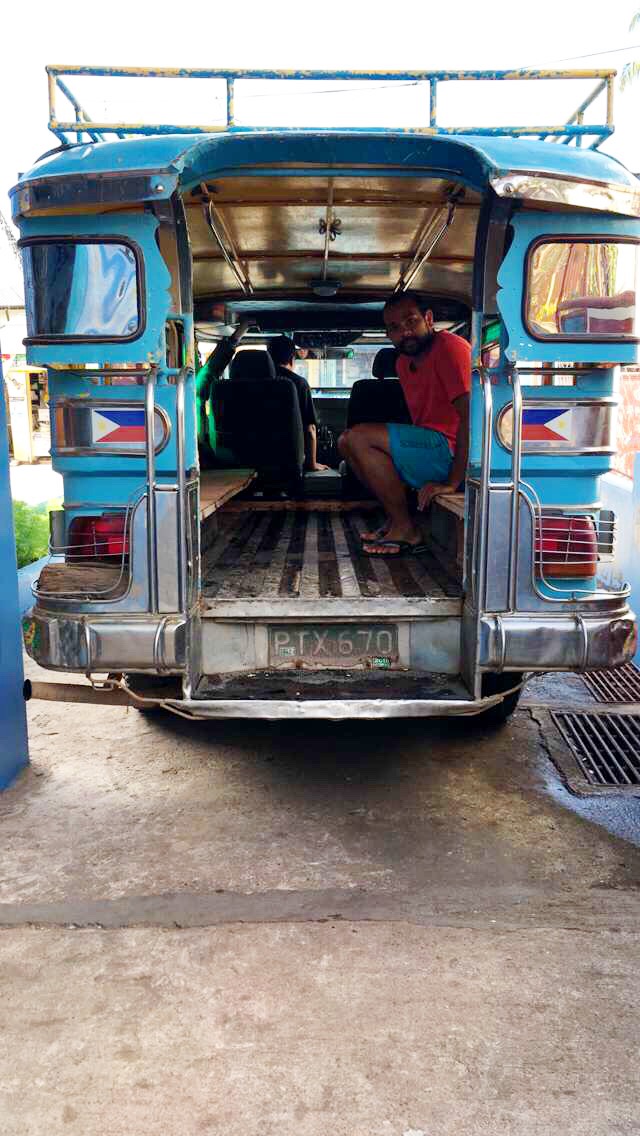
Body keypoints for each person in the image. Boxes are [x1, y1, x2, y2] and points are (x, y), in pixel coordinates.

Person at [338, 292, 470, 557]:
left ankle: (405, 529)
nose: (405, 332)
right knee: (345, 442)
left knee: (358, 438)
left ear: (429, 319)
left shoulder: (449, 348)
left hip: (454, 451)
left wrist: (454, 481)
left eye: (411, 322)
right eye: (394, 328)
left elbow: (473, 417)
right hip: (433, 447)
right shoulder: (402, 362)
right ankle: (395, 520)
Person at [267, 336, 328, 472]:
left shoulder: (253, 384)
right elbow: (309, 428)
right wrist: (312, 464)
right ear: (291, 359)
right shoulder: (298, 383)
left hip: (252, 457)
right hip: (288, 460)